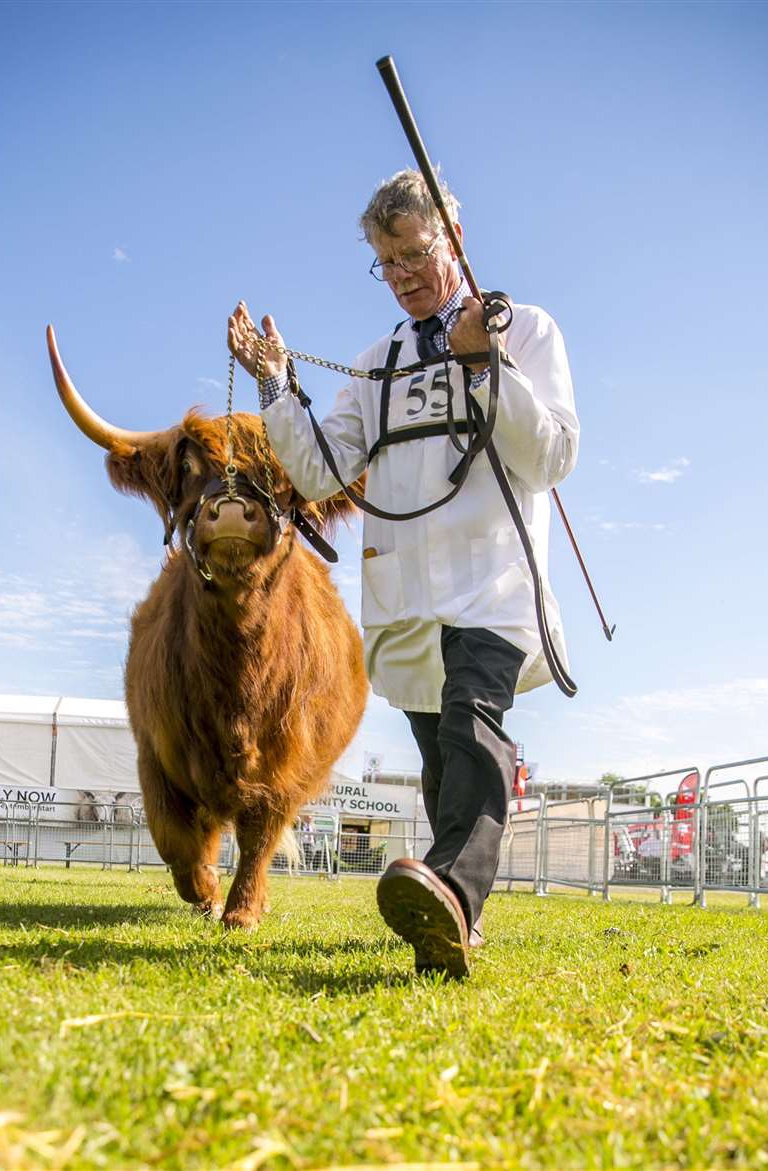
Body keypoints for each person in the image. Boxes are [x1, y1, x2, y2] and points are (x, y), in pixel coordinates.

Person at [227, 169, 579, 976]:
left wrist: (487, 367)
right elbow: (319, 471)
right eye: (389, 263)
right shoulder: (373, 362)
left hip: (494, 582)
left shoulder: (523, 330)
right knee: (440, 755)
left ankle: (451, 892)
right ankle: (453, 918)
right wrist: (277, 384)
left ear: (453, 240)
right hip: (406, 594)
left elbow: (554, 453)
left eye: (418, 254)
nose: (406, 275)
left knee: (472, 725)